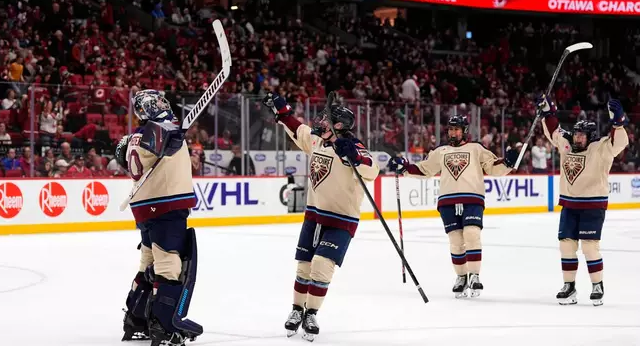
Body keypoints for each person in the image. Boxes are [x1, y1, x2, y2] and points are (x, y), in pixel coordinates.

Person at [263, 92, 379, 341]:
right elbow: (298, 129)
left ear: (339, 126)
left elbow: (373, 169)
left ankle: (311, 313)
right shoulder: (316, 141)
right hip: (314, 216)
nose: (320, 122)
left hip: (341, 219)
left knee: (322, 266)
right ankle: (296, 310)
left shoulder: (353, 148)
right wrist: (282, 113)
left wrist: (354, 157)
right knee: (304, 266)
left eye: (327, 120)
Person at [389, 115, 518, 298]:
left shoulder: (476, 148)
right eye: (450, 129)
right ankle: (461, 277)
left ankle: (474, 275)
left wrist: (507, 162)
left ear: (464, 130)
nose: (453, 132)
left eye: (457, 129)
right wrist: (404, 167)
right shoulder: (440, 151)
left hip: (472, 198)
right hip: (447, 201)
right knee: (456, 242)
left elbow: (492, 167)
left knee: (472, 234)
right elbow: (425, 169)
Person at [115, 90, 202, 345]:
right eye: (157, 103)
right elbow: (159, 142)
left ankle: (136, 319)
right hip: (165, 205)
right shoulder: (158, 131)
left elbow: (128, 153)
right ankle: (164, 326)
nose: (163, 105)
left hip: (145, 207)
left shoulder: (138, 135)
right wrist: (169, 137)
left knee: (148, 261)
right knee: (169, 264)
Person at [538, 95, 629, 306]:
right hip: (569, 205)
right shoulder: (567, 144)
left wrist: (618, 122)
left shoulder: (601, 148)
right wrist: (548, 112)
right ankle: (569, 286)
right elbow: (554, 131)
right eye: (576, 134)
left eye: (582, 136)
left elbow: (619, 141)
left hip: (593, 205)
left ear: (590, 136)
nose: (578, 138)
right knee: (566, 246)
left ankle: (597, 285)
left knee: (589, 247)